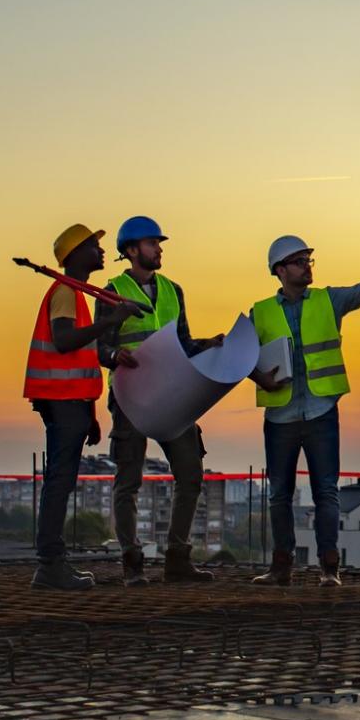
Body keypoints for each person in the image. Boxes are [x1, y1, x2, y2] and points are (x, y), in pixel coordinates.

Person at [248, 234, 360, 586]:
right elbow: (239, 356)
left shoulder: (328, 300)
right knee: (278, 495)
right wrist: (260, 377)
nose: (308, 267)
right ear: (280, 270)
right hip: (281, 416)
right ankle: (281, 567)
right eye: (300, 261)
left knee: (326, 493)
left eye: (309, 261)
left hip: (320, 412)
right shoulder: (261, 312)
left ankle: (329, 568)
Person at [100, 215, 224, 586]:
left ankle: (177, 559)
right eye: (154, 244)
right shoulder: (112, 291)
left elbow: (181, 341)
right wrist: (113, 355)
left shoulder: (173, 290)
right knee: (129, 480)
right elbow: (99, 345)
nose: (160, 249)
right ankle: (132, 562)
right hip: (131, 398)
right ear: (133, 250)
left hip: (172, 395)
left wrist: (207, 344)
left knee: (190, 473)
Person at [23, 223, 135, 591]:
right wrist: (112, 321)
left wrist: (88, 413)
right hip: (61, 402)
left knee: (62, 479)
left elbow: (78, 359)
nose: (102, 252)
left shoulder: (75, 295)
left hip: (70, 403)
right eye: (93, 246)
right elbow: (65, 341)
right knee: (59, 481)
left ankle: (52, 563)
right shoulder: (66, 294)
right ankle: (50, 564)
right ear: (74, 255)